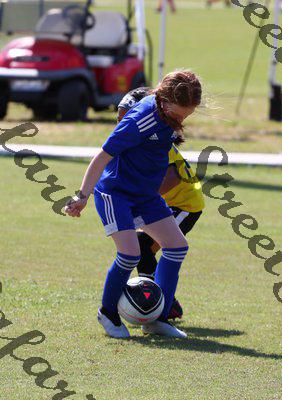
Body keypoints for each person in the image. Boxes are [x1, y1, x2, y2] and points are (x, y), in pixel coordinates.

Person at [64, 70, 202, 339]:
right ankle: (108, 313)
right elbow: (102, 156)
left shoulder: (167, 114)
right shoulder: (141, 119)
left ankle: (158, 319)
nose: (181, 120)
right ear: (164, 100)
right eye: (178, 114)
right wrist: (82, 196)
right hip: (116, 193)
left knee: (176, 247)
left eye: (186, 115)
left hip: (146, 195)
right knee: (129, 254)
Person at [117, 87, 206, 321]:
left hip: (185, 205)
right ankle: (157, 300)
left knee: (145, 246)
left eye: (127, 117)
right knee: (141, 248)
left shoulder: (157, 141)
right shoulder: (135, 139)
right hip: (163, 204)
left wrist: (140, 199)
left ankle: (162, 302)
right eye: (119, 117)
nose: (121, 123)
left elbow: (171, 177)